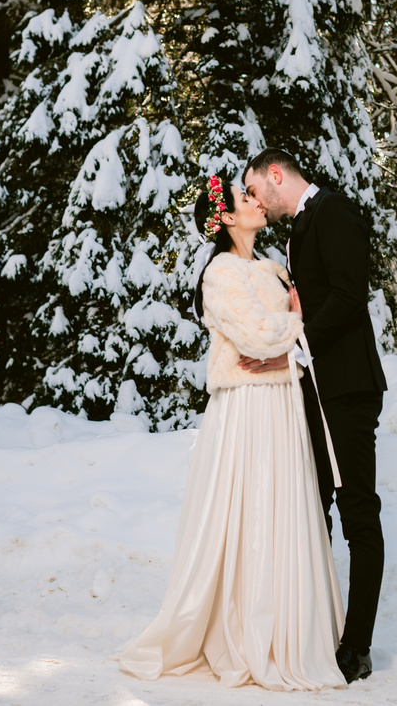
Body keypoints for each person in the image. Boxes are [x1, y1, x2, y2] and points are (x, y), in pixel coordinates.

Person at [116, 174, 346, 691]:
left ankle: (288, 626)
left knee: (283, 505)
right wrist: (295, 324)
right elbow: (255, 336)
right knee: (250, 506)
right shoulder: (220, 272)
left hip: (281, 401)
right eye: (246, 198)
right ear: (224, 218)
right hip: (247, 405)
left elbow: (274, 339)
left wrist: (287, 332)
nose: (257, 202)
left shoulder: (271, 267)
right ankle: (245, 629)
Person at [241, 149, 387, 683]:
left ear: (275, 175)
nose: (256, 201)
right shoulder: (299, 229)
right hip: (316, 392)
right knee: (312, 510)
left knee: (358, 514)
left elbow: (349, 296)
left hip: (346, 389)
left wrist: (296, 346)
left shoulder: (335, 211)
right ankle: (314, 631)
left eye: (255, 190)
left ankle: (357, 646)